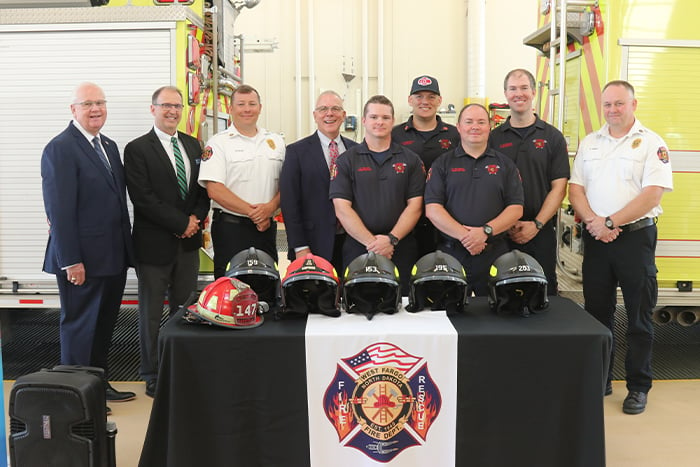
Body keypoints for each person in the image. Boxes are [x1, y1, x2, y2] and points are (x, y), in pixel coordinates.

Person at [569, 80, 673, 415]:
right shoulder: (590, 142)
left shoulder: (651, 143)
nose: (612, 110)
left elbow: (652, 195)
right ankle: (601, 380)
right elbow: (576, 190)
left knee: (639, 317)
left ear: (633, 104)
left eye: (619, 104)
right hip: (597, 240)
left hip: (635, 240)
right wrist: (595, 223)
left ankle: (638, 387)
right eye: (608, 104)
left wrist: (610, 222)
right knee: (597, 315)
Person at [41, 82, 136, 405]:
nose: (95, 109)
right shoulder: (61, 148)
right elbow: (60, 210)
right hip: (81, 261)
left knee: (103, 327)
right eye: (87, 104)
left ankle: (97, 386)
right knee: (80, 329)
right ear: (73, 110)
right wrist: (71, 261)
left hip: (112, 257)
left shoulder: (107, 145)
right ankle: (76, 399)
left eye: (100, 102)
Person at [124, 86, 210, 398]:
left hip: (187, 246)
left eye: (177, 106)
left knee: (185, 308)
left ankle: (181, 369)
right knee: (149, 314)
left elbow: (202, 191)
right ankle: (151, 373)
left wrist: (195, 221)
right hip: (153, 247)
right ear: (153, 109)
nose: (172, 111)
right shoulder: (136, 149)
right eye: (166, 106)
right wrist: (180, 223)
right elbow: (143, 199)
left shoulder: (192, 145)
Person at [425, 103, 523, 296]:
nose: (475, 127)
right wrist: (466, 236)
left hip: (495, 254)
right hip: (451, 254)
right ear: (459, 127)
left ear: (490, 127)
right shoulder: (442, 164)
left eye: (481, 122)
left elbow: (516, 208)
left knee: (496, 315)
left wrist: (485, 232)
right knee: (448, 313)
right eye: (469, 122)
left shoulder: (506, 165)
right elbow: (433, 209)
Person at [330, 95, 424, 294]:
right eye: (373, 117)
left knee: (402, 307)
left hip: (400, 247)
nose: (379, 122)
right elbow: (342, 208)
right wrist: (372, 244)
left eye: (385, 117)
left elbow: (415, 206)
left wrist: (391, 240)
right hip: (358, 247)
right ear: (364, 121)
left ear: (393, 120)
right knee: (357, 307)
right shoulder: (346, 161)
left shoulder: (411, 160)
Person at [489, 69, 569, 294]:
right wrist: (503, 224)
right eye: (513, 89)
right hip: (501, 232)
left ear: (533, 92)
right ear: (505, 94)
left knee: (543, 291)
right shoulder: (494, 139)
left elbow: (559, 188)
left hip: (540, 230)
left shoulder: (552, 137)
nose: (518, 94)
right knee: (502, 291)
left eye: (524, 88)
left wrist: (537, 224)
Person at [198, 84, 285, 278]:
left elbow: (286, 186)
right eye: (241, 104)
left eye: (252, 104)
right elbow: (214, 189)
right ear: (231, 109)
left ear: (260, 108)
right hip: (231, 230)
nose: (247, 109)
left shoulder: (276, 142)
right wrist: (256, 214)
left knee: (267, 285)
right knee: (230, 289)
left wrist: (270, 209)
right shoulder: (218, 143)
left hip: (266, 229)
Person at [280, 90, 358, 275]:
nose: (329, 113)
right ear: (315, 115)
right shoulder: (296, 152)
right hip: (312, 245)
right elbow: (290, 203)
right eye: (323, 109)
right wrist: (300, 247)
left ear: (343, 115)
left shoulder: (357, 151)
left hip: (353, 243)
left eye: (335, 109)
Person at [392, 75, 460, 257]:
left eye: (431, 97)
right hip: (404, 222)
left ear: (439, 100)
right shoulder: (394, 135)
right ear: (410, 100)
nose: (425, 102)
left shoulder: (455, 135)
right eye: (419, 96)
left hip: (446, 222)